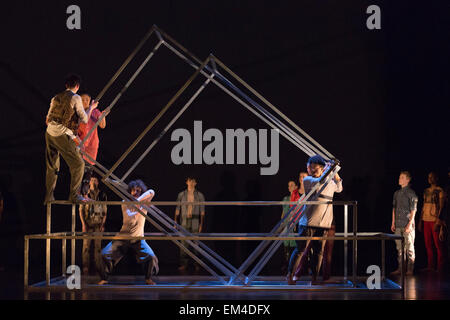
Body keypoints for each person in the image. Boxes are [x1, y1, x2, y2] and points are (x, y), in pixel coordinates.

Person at [287, 155, 343, 284]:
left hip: (324, 223)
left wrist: (335, 173)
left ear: (321, 168)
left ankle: (314, 278)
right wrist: (330, 169)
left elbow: (339, 188)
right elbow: (320, 183)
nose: (311, 170)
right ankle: (290, 275)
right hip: (308, 222)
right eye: (310, 168)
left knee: (318, 252)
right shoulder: (308, 180)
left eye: (314, 168)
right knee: (300, 250)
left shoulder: (329, 180)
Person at [44, 74, 98, 203]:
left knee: (52, 166)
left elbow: (48, 120)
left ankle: (49, 196)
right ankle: (74, 195)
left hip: (49, 133)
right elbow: (84, 119)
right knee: (79, 165)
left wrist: (72, 135)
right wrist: (91, 108)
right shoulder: (75, 97)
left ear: (66, 85)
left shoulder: (55, 97)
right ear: (77, 86)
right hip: (61, 134)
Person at [98, 179, 159, 285]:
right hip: (123, 237)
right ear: (130, 191)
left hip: (138, 238)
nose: (136, 192)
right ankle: (104, 278)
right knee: (104, 254)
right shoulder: (125, 202)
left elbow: (152, 191)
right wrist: (137, 205)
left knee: (151, 257)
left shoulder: (144, 203)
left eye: (138, 191)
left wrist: (138, 201)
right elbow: (130, 216)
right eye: (134, 190)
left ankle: (148, 278)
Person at [78, 93, 107, 196]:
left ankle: (85, 193)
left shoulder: (95, 111)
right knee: (79, 168)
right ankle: (77, 192)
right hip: (80, 142)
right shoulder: (78, 111)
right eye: (83, 99)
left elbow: (102, 125)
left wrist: (103, 116)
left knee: (88, 170)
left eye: (87, 99)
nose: (85, 101)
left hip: (92, 143)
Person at [174, 177, 206, 273]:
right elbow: (177, 209)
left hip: (195, 221)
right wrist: (175, 221)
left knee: (196, 244)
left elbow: (202, 211)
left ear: (195, 183)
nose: (191, 183)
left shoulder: (199, 195)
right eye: (189, 181)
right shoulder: (181, 195)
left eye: (193, 181)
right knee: (184, 244)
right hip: (184, 220)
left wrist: (201, 224)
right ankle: (184, 264)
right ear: (186, 182)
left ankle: (197, 264)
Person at [390, 171, 418, 276]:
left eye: (402, 177)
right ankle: (401, 268)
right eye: (399, 177)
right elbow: (394, 208)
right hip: (398, 224)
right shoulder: (396, 193)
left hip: (407, 224)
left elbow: (413, 210)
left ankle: (410, 269)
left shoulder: (411, 193)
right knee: (399, 248)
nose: (399, 179)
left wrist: (410, 224)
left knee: (409, 247)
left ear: (407, 180)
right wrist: (393, 222)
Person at [79, 175, 108, 275]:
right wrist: (83, 224)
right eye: (92, 180)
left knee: (98, 247)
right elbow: (81, 210)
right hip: (88, 222)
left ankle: (98, 267)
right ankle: (85, 268)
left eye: (95, 180)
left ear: (98, 182)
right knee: (86, 247)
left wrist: (103, 223)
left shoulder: (102, 194)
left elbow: (105, 210)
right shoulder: (85, 193)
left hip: (98, 223)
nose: (93, 182)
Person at [418, 172, 446, 273]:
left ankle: (440, 267)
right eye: (428, 177)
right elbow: (423, 206)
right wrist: (420, 221)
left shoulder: (440, 191)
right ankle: (430, 266)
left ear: (436, 178)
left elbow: (442, 206)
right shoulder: (426, 191)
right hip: (426, 219)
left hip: (434, 220)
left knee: (438, 244)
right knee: (428, 244)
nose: (429, 178)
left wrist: (438, 220)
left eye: (431, 177)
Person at [280, 180, 300, 274]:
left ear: (296, 186)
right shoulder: (286, 199)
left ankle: (294, 268)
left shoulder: (297, 198)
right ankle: (287, 267)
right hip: (287, 226)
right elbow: (283, 213)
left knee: (295, 247)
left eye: (292, 185)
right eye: (288, 186)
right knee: (286, 249)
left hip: (295, 225)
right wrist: (281, 225)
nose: (289, 187)